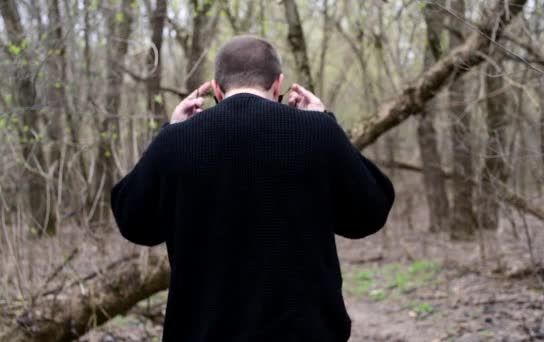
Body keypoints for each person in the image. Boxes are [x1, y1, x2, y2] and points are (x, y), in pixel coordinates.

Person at [111, 35, 394, 342]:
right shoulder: (318, 133)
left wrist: (173, 130)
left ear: (217, 89)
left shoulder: (176, 142)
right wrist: (326, 123)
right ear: (278, 83)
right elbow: (370, 211)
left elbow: (133, 220)